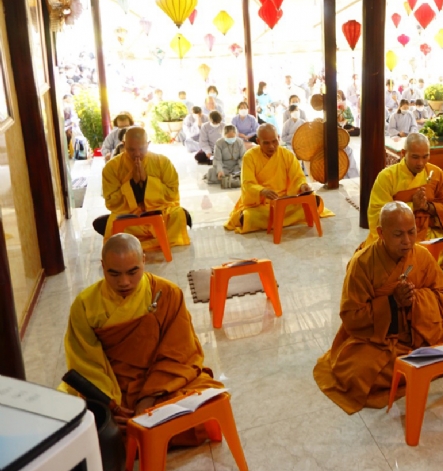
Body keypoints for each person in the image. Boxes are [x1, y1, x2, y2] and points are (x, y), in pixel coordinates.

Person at [313, 202, 443, 414]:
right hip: (381, 338)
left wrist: (415, 300)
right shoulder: (362, 264)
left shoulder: (422, 255)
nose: (407, 241)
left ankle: (418, 361)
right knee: (358, 374)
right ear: (381, 233)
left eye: (411, 232)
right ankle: (424, 362)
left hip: (423, 329)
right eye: (398, 234)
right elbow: (352, 316)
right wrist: (391, 303)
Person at [60, 234, 221, 441]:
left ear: (144, 260)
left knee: (210, 401)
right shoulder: (85, 306)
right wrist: (109, 407)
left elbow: (180, 353)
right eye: (114, 274)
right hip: (114, 388)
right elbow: (85, 364)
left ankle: (139, 433)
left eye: (132, 272)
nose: (124, 282)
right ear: (102, 266)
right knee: (73, 422)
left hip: (162, 383)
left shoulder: (167, 293)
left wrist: (147, 398)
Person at [93, 127, 191, 250]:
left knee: (178, 213)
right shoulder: (112, 167)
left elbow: (172, 192)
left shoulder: (162, 162)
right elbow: (111, 200)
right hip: (129, 215)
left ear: (148, 144)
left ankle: (132, 242)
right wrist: (132, 183)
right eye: (131, 149)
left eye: (141, 149)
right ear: (123, 145)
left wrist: (147, 181)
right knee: (112, 221)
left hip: (158, 212)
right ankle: (154, 240)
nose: (137, 154)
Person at [225, 124, 331, 233]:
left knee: (314, 200)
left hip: (285, 201)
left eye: (274, 141)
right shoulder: (249, 157)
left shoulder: (287, 154)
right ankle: (287, 219)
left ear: (279, 138)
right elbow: (247, 183)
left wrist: (302, 185)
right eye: (266, 143)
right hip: (263, 205)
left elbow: (298, 176)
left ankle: (277, 220)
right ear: (258, 141)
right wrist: (262, 191)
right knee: (247, 217)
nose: (271, 146)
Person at [364, 133, 443, 248]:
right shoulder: (387, 177)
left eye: (425, 157)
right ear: (403, 153)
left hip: (429, 231)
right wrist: (412, 206)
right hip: (398, 236)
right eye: (415, 157)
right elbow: (378, 215)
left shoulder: (436, 174)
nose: (420, 163)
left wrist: (427, 207)